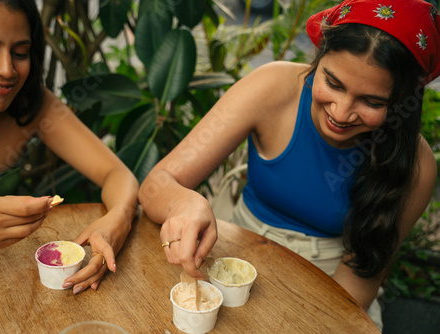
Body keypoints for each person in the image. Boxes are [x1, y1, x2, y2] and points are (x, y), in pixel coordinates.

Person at [139, 0, 439, 329]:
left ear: (402, 103)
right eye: (333, 83)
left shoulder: (415, 166)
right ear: (318, 56)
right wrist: (184, 201)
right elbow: (156, 185)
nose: (340, 113)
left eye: (371, 102)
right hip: (234, 254)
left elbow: (357, 283)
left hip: (331, 288)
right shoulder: (272, 87)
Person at [0, 0, 139, 295]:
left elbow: (116, 174)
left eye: (20, 53)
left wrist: (115, 222)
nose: (7, 70)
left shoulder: (31, 104)